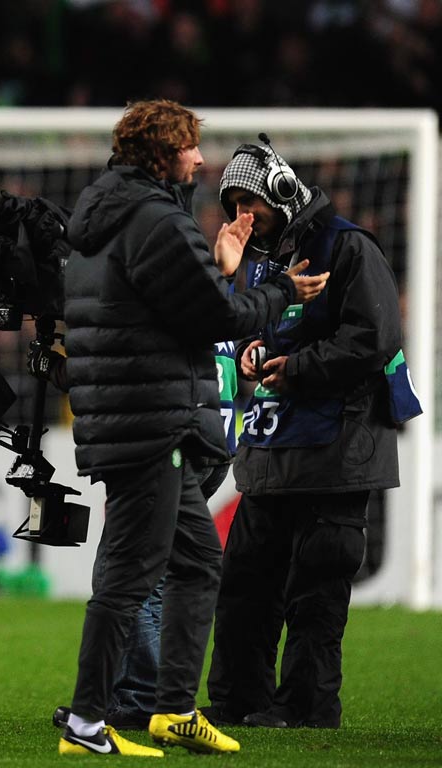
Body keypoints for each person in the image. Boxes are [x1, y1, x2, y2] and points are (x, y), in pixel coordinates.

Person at [56, 99, 329, 757]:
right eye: (191, 149)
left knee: (199, 561)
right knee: (128, 576)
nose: (201, 160)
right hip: (153, 421)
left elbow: (174, 307)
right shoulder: (155, 218)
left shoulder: (105, 216)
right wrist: (284, 291)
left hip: (129, 413)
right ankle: (88, 723)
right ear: (164, 153)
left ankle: (173, 709)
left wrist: (224, 267)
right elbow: (217, 321)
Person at [204, 138, 416, 729]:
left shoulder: (349, 246)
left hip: (338, 448)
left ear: (279, 190)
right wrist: (255, 351)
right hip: (276, 449)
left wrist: (294, 368)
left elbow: (374, 338)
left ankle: (304, 708)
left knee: (314, 592)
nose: (243, 219)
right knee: (243, 583)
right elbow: (278, 334)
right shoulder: (270, 260)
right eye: (235, 208)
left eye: (251, 203)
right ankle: (238, 702)